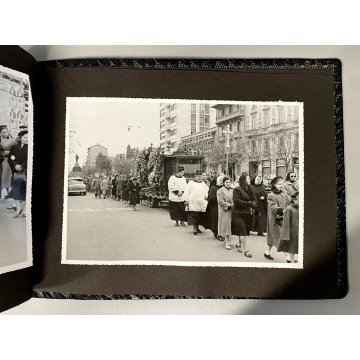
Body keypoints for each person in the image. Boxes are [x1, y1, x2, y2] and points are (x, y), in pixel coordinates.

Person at [265, 176, 291, 261]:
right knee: (280, 237)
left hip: (282, 219)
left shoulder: (283, 194)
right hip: (274, 220)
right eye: (279, 184)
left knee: (273, 237)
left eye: (282, 184)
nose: (281, 185)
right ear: (274, 185)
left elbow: (288, 203)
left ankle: (267, 252)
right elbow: (273, 207)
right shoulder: (270, 195)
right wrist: (282, 211)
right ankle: (288, 257)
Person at [231, 174, 257, 257]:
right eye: (248, 178)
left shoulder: (249, 188)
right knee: (243, 231)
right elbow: (236, 201)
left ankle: (239, 244)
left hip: (247, 213)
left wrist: (254, 204)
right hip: (238, 213)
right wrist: (248, 203)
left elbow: (254, 198)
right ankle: (246, 250)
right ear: (243, 180)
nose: (249, 179)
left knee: (244, 230)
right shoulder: (237, 189)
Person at [8, 130, 28, 218]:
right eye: (25, 137)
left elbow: (29, 160)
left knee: (25, 191)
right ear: (20, 138)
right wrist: (15, 165)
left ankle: (25, 210)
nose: (27, 139)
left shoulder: (30, 148)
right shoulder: (14, 147)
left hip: (26, 171)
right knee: (15, 190)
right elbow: (10, 158)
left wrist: (22, 166)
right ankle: (18, 208)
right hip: (15, 171)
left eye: (28, 137)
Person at [182, 170, 209, 235]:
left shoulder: (203, 184)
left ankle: (197, 227)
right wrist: (185, 200)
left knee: (200, 216)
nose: (199, 178)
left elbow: (206, 192)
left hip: (201, 202)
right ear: (195, 177)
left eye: (200, 176)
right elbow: (187, 191)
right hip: (193, 202)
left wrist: (207, 197)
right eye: (198, 176)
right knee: (194, 215)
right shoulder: (191, 183)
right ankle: (194, 228)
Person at [277, 192, 299, 263]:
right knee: (291, 248)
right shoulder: (289, 209)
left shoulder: (301, 208)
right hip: (292, 232)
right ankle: (292, 261)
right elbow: (285, 223)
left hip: (299, 231)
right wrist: (286, 235)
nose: (299, 202)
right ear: (294, 200)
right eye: (298, 200)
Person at [217, 176, 234, 250]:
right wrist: (228, 205)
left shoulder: (232, 190)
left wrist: (234, 205)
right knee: (226, 225)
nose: (228, 183)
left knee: (230, 225)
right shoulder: (220, 191)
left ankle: (226, 240)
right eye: (226, 182)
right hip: (225, 210)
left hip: (232, 209)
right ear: (223, 183)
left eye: (229, 182)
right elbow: (220, 201)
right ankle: (227, 241)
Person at [205, 174, 224, 240]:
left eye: (223, 180)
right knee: (216, 220)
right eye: (220, 180)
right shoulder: (214, 188)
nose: (221, 181)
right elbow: (211, 198)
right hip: (215, 206)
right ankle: (217, 233)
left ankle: (221, 233)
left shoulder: (225, 188)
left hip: (223, 207)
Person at [0, 125, 15, 199]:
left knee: (6, 177)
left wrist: (6, 153)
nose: (5, 134)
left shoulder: (11, 140)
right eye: (3, 132)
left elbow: (14, 151)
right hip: (0, 160)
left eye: (6, 132)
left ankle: (8, 192)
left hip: (6, 161)